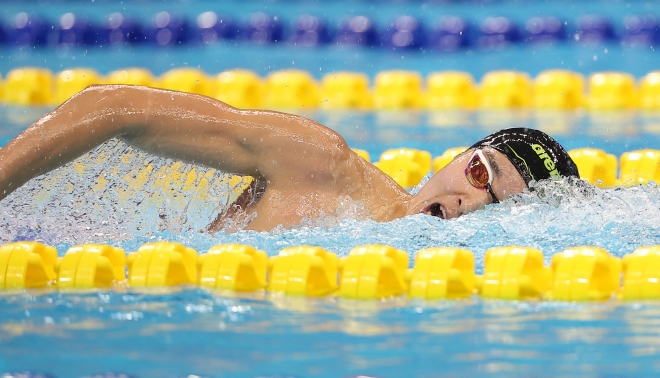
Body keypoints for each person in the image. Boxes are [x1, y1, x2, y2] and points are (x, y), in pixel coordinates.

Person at [0, 85, 579, 232]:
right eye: (479, 174)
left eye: (498, 206)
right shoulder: (320, 166)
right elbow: (111, 106)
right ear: (458, 159)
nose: (468, 202)